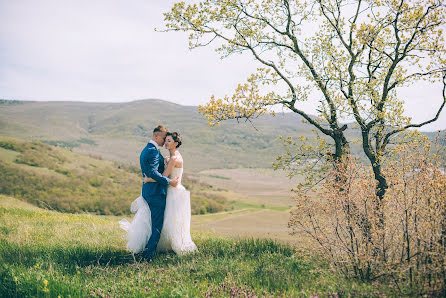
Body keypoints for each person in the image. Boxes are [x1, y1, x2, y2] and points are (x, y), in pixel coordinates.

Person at [119, 125, 179, 260]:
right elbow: (153, 172)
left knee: (148, 223)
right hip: (156, 193)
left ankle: (144, 249)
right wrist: (169, 182)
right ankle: (148, 255)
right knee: (157, 225)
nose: (164, 141)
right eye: (164, 138)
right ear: (156, 136)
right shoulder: (152, 151)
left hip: (148, 191)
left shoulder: (148, 149)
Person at [144, 131, 197, 255]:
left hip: (173, 192)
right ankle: (169, 246)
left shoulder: (173, 158)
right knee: (171, 220)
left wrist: (148, 179)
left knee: (170, 220)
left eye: (169, 141)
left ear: (176, 143)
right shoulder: (173, 156)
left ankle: (173, 246)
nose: (166, 143)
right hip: (173, 190)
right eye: (166, 140)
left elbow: (163, 177)